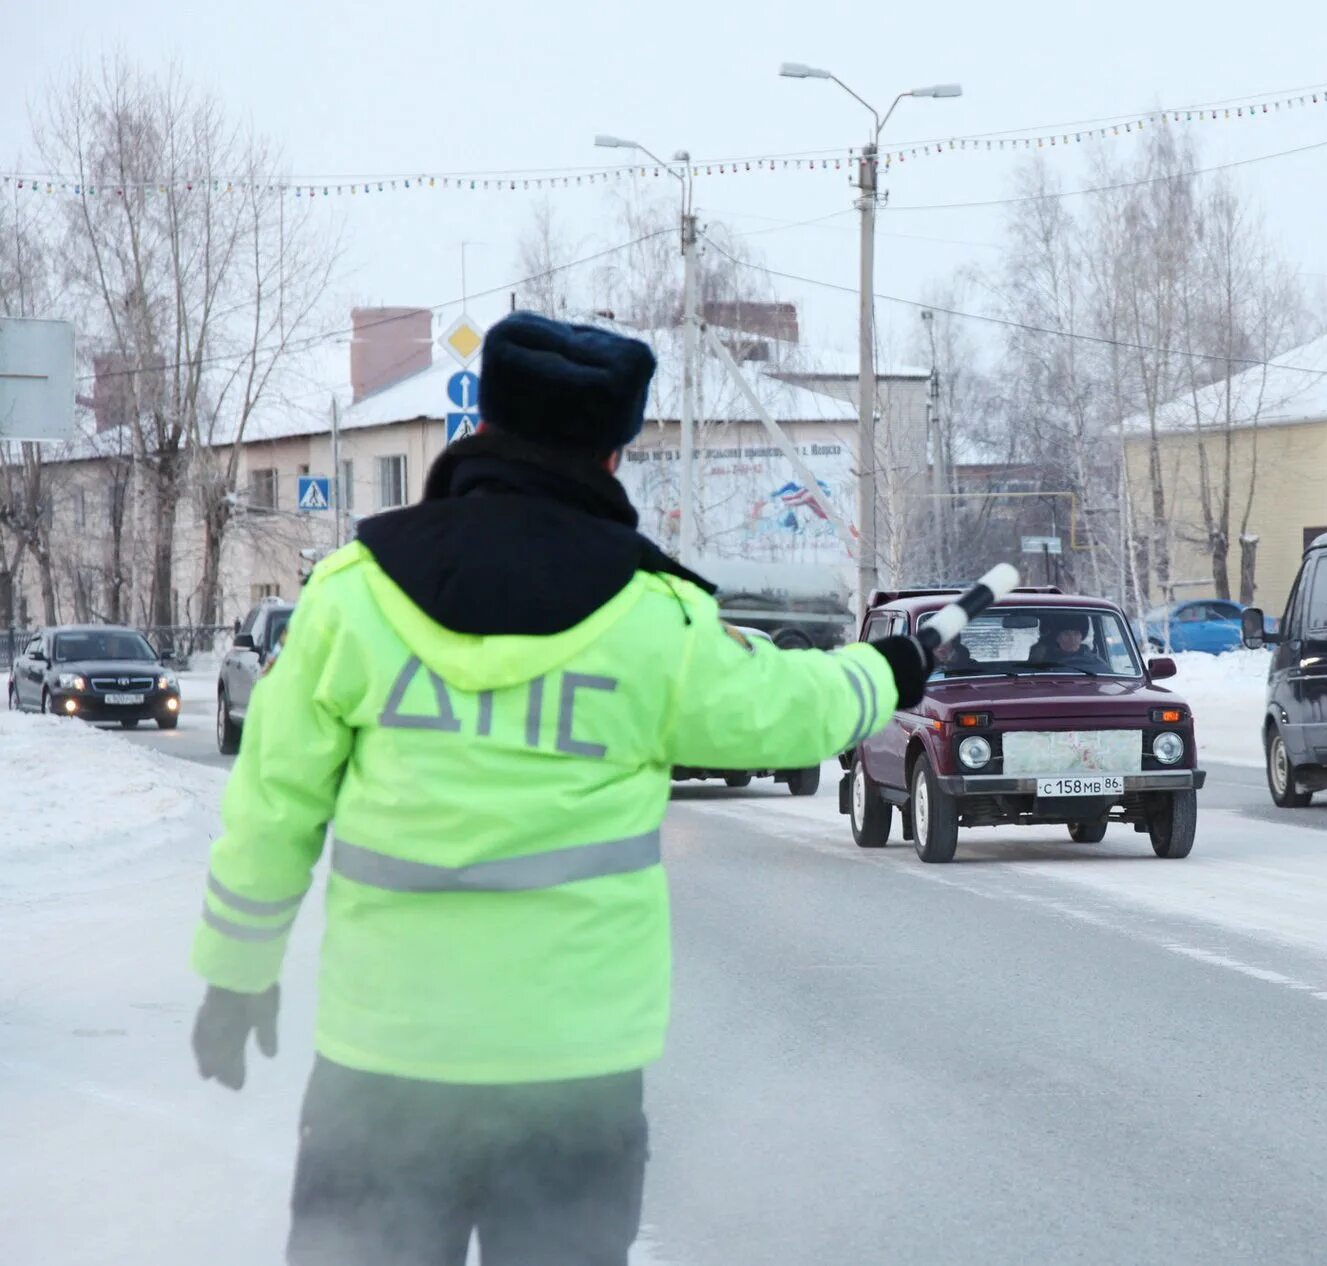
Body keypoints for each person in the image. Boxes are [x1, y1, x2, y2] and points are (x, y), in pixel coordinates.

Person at [187, 312, 930, 1266]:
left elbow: (271, 808)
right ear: (611, 457)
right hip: (570, 1078)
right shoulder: (652, 618)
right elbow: (789, 712)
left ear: (479, 427)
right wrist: (887, 670)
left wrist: (236, 974)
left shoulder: (354, 594)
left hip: (384, 1066)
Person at [1033, 611, 1109, 672]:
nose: (1072, 639)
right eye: (1066, 634)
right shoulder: (1044, 661)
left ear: (1082, 637)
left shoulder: (1094, 661)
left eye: (1076, 634)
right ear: (1057, 638)